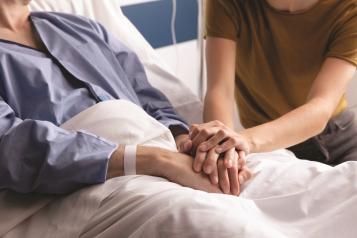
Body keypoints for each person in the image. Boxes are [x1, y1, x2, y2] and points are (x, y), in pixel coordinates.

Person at [0, 0, 252, 196]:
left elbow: (149, 98)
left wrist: (188, 142)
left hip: (165, 148)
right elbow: (13, 146)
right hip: (94, 181)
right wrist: (157, 161)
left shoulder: (85, 29)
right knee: (216, 224)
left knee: (285, 188)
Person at [190, 0, 357, 170]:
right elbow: (220, 91)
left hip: (338, 142)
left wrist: (244, 140)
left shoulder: (349, 8)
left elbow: (321, 105)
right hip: (267, 148)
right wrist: (221, 148)